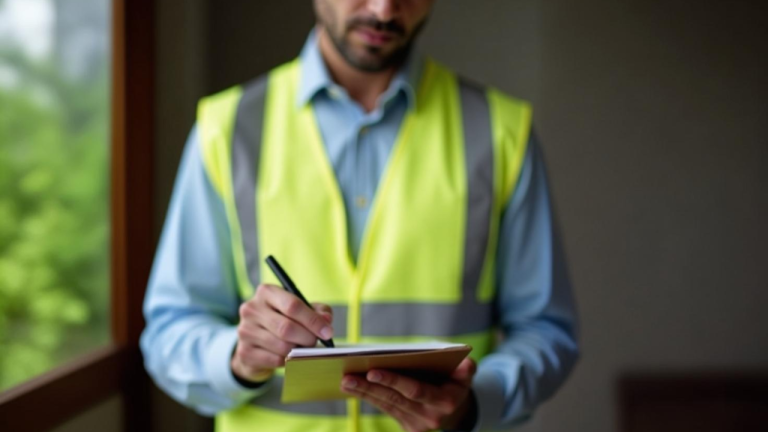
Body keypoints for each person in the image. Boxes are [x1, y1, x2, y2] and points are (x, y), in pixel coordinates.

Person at [140, 1, 579, 431]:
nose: (385, 11)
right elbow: (170, 331)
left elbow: (546, 329)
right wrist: (237, 359)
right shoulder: (226, 129)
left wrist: (476, 402)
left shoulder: (500, 131)